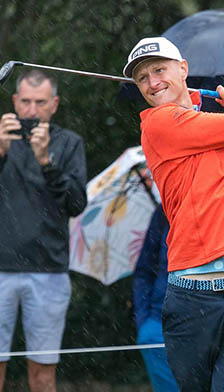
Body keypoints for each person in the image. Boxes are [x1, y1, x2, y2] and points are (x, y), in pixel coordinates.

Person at [123, 36, 224, 391]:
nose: (152, 83)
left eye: (159, 70)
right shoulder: (158, 124)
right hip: (195, 297)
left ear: (183, 70)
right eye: (142, 78)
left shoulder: (214, 136)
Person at [0, 70, 87, 392]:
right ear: (14, 102)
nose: (32, 110)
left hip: (48, 271)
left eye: (40, 102)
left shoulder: (68, 142)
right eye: (25, 101)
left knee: (43, 375)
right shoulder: (1, 136)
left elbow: (77, 205)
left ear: (54, 104)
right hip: (0, 269)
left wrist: (46, 162)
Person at [132, 206, 178, 392]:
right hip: (158, 323)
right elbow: (144, 270)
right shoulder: (163, 213)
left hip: (209, 323)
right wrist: (145, 323)